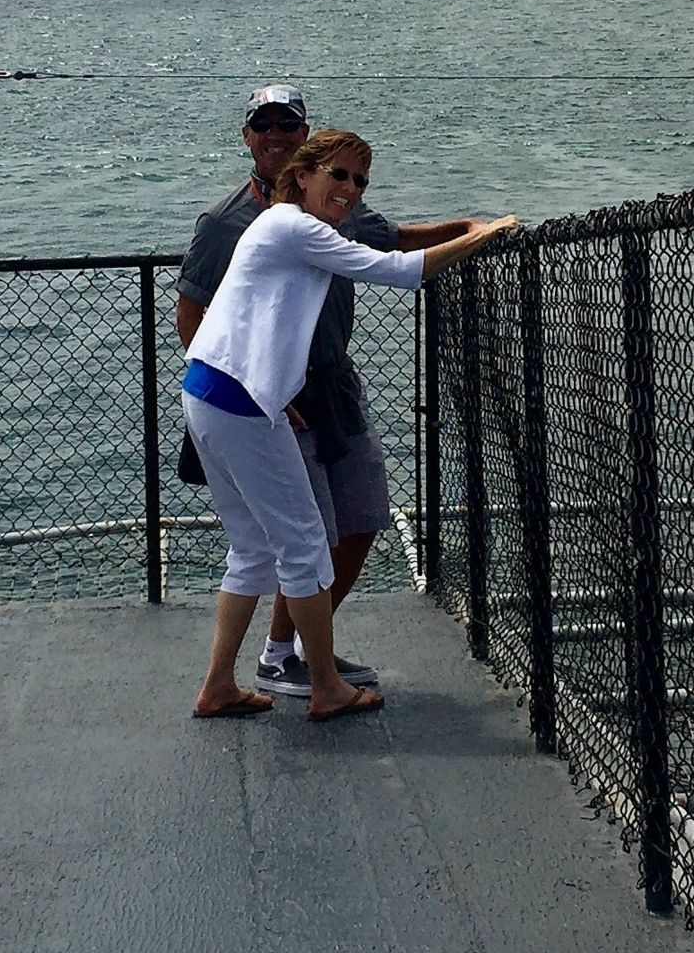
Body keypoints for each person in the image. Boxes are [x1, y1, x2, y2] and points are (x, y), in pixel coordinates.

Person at [185, 129, 516, 720]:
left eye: (359, 180)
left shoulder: (283, 226)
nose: (349, 188)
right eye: (337, 174)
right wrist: (484, 235)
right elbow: (396, 269)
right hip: (236, 402)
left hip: (211, 393)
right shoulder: (295, 225)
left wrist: (270, 389)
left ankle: (218, 687)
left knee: (254, 550)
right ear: (304, 173)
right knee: (307, 546)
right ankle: (324, 684)